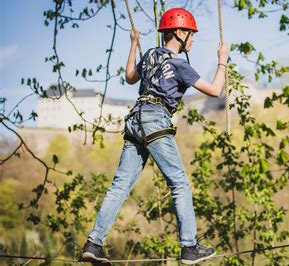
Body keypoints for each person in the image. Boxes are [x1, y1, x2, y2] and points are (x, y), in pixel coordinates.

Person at [82, 7, 228, 265]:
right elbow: (216, 90)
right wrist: (222, 60)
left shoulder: (150, 55)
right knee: (180, 184)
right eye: (191, 34)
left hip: (135, 119)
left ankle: (94, 243)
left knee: (119, 186)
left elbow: (129, 78)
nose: (193, 39)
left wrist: (134, 44)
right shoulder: (180, 65)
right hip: (155, 120)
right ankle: (189, 247)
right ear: (179, 32)